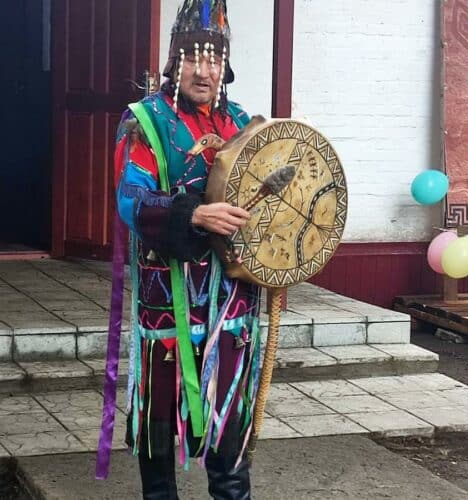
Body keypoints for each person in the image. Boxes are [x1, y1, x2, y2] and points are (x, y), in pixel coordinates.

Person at [114, 1, 261, 498]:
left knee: (229, 419)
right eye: (193, 57)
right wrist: (194, 215)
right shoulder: (145, 121)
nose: (204, 70)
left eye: (214, 59)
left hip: (231, 302)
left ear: (225, 67)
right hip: (167, 301)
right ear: (174, 62)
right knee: (159, 421)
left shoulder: (241, 122)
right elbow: (130, 199)